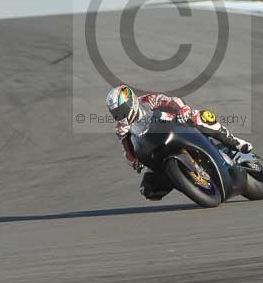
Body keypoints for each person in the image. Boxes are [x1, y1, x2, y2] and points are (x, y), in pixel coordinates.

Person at [106, 84, 253, 200]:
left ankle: (234, 142)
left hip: (176, 129)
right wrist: (134, 162)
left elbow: (173, 101)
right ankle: (188, 181)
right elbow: (127, 151)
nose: (120, 115)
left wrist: (183, 109)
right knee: (148, 189)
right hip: (156, 149)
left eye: (121, 110)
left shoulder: (148, 100)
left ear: (130, 101)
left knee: (200, 116)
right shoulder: (122, 128)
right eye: (116, 113)